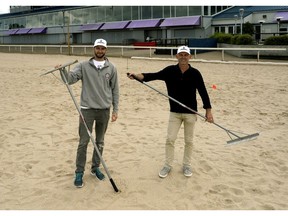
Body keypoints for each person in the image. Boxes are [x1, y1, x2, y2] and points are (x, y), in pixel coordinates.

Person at [127, 45, 213, 178]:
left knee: (189, 141)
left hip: (191, 113)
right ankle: (168, 165)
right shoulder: (170, 71)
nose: (183, 57)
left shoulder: (196, 73)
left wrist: (208, 111)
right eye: (181, 55)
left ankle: (186, 165)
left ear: (190, 57)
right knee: (170, 139)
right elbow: (152, 76)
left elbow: (203, 92)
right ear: (177, 56)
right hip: (175, 113)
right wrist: (137, 76)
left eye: (186, 55)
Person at [57, 38, 119, 188]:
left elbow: (115, 90)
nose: (100, 51)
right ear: (94, 49)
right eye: (97, 48)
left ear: (106, 50)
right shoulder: (83, 65)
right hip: (87, 110)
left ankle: (95, 168)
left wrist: (115, 109)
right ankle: (79, 172)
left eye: (102, 48)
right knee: (83, 142)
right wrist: (62, 70)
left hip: (104, 110)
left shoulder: (112, 67)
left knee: (100, 142)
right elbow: (70, 80)